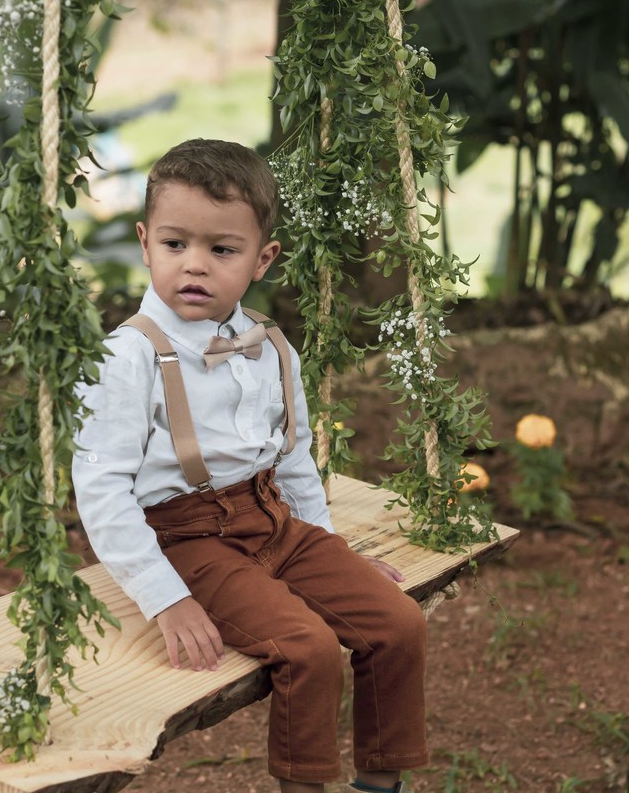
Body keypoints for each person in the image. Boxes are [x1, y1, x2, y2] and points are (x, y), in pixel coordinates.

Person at [72, 138, 428, 793]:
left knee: (397, 622)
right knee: (309, 648)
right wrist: (167, 600)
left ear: (262, 259)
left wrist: (327, 547)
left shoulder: (270, 345)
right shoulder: (128, 358)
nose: (194, 266)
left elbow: (293, 455)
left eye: (222, 250)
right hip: (189, 542)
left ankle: (381, 781)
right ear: (145, 243)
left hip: (273, 523)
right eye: (175, 245)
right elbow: (101, 490)